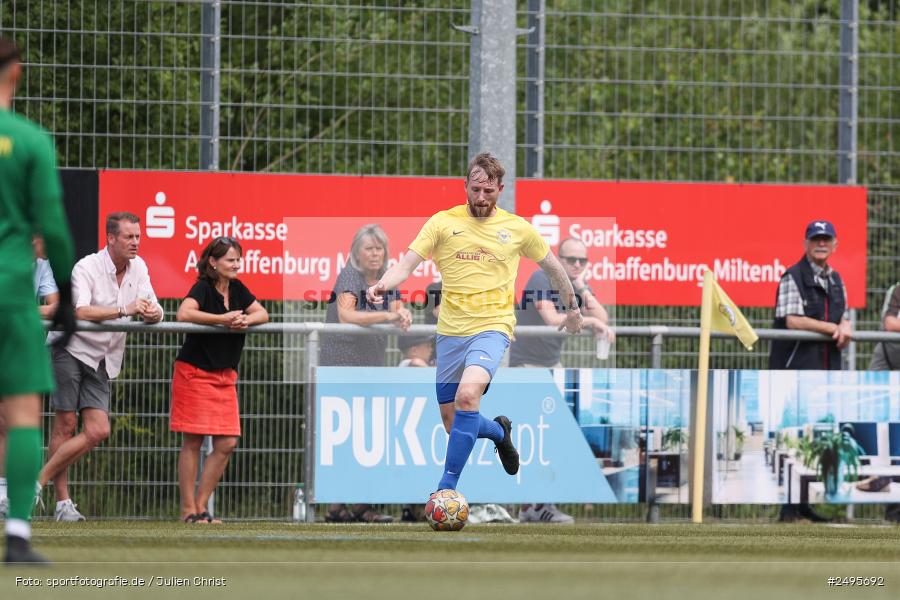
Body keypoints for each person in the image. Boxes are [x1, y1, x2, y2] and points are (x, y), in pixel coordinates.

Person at [367, 152, 583, 498]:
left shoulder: (518, 229)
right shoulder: (441, 223)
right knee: (453, 422)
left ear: (500, 189)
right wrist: (382, 285)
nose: (481, 199)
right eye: (475, 190)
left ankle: (445, 491)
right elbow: (406, 265)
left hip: (493, 327)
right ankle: (499, 433)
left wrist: (572, 308)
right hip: (451, 333)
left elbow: (555, 269)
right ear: (465, 186)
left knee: (468, 396)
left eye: (489, 192)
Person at [0, 37, 77, 564]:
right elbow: (52, 225)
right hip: (8, 291)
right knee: (25, 411)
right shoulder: (28, 139)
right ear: (15, 72)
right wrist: (68, 293)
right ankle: (18, 535)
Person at [38, 211, 164, 522]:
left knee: (98, 430)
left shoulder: (141, 267)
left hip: (104, 358)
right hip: (70, 348)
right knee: (66, 426)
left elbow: (153, 304)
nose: (135, 242)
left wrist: (154, 314)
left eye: (138, 236)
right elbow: (78, 311)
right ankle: (62, 504)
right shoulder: (87, 266)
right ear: (111, 238)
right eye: (129, 237)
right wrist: (125, 308)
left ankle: (35, 483)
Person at [509, 237, 615, 524]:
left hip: (551, 365)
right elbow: (551, 318)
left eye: (583, 260)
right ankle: (527, 504)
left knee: (551, 436)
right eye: (571, 260)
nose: (578, 265)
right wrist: (590, 323)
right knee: (530, 437)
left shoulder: (575, 285)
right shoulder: (540, 277)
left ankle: (537, 504)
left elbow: (602, 315)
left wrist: (580, 287)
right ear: (559, 258)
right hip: (525, 365)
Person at [171, 236, 268, 524]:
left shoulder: (238, 288)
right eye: (230, 259)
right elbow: (183, 313)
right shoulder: (202, 286)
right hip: (194, 372)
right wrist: (223, 319)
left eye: (238, 259)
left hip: (225, 375)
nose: (236, 264)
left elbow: (262, 312)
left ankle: (201, 507)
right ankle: (188, 510)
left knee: (227, 441)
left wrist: (245, 321)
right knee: (193, 440)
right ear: (213, 262)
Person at [321, 224, 411, 523]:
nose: (375, 254)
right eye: (369, 248)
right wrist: (388, 315)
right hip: (342, 364)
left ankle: (351, 504)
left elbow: (399, 309)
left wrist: (404, 314)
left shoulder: (389, 280)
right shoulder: (349, 275)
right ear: (356, 252)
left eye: (379, 248)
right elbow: (347, 314)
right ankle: (344, 505)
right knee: (344, 435)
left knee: (364, 436)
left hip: (371, 363)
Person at [769, 219, 851, 523]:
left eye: (826, 239)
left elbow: (843, 318)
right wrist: (834, 327)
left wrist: (845, 326)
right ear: (805, 244)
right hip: (794, 372)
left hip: (825, 371)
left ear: (834, 244)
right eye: (815, 239)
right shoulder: (793, 276)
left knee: (816, 438)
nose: (821, 243)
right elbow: (792, 320)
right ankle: (789, 510)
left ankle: (804, 505)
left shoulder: (837, 279)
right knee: (793, 438)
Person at [0, 236, 61, 520]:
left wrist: (23, 311)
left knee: (17, 423)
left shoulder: (42, 264)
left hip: (21, 349)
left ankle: (8, 495)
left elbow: (54, 306)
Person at [868, 282, 900, 523]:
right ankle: (893, 513)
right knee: (886, 441)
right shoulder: (897, 289)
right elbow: (889, 325)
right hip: (887, 370)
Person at [397, 280, 441, 368]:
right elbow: (440, 312)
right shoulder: (435, 288)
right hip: (439, 342)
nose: (430, 349)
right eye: (428, 346)